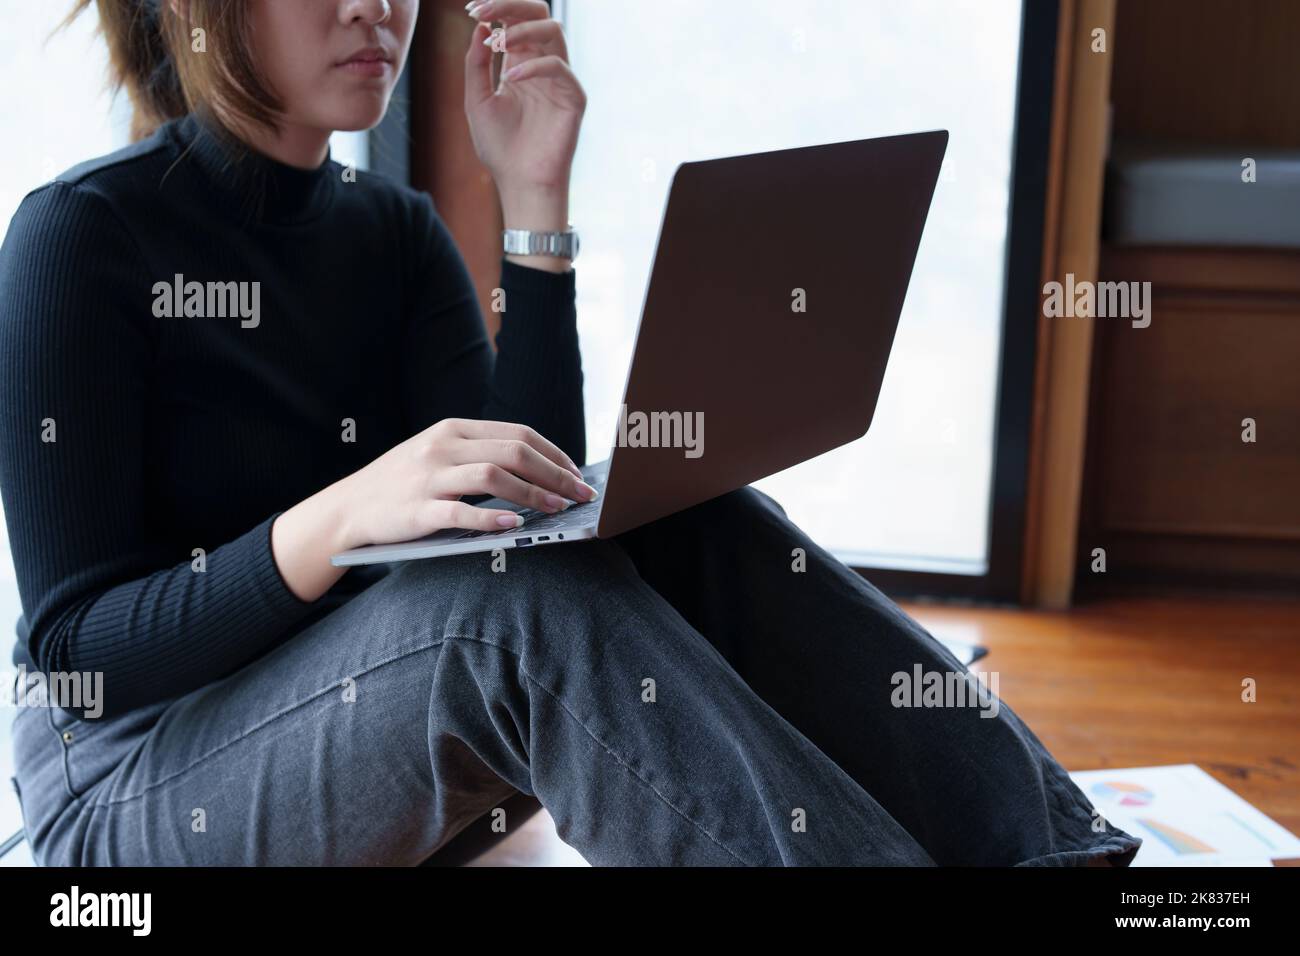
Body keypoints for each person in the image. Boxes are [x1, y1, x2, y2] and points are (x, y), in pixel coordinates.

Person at [0, 0, 1141, 867]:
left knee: (704, 519)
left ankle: (1072, 860)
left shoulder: (391, 235)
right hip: (127, 780)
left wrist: (533, 199)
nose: (375, 9)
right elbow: (78, 650)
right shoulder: (79, 238)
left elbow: (533, 515)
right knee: (499, 620)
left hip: (343, 706)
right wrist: (337, 520)